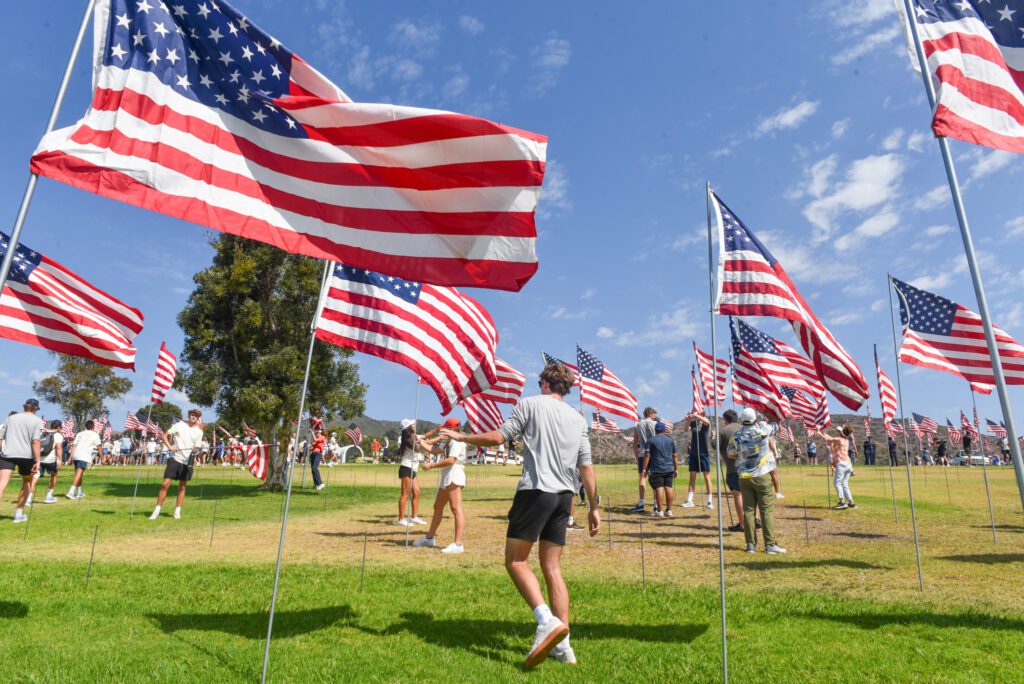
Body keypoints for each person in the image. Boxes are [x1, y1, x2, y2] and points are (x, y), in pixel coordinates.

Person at [439, 362, 599, 668]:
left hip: (535, 492)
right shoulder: (578, 419)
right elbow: (586, 467)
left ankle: (545, 621)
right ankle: (564, 646)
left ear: (545, 383)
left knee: (515, 561)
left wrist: (462, 438)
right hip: (564, 498)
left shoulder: (529, 404)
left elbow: (499, 438)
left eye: (539, 380)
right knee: (552, 567)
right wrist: (594, 506)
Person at [729, 408, 786, 555]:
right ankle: (769, 544)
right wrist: (766, 409)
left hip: (744, 477)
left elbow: (731, 454)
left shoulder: (736, 436)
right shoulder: (763, 430)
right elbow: (777, 424)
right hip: (762, 474)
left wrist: (744, 454)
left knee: (748, 511)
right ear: (755, 419)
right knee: (766, 510)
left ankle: (750, 545)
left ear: (742, 420)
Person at [413, 417, 469, 553]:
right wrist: (420, 441)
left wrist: (431, 465)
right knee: (438, 506)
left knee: (456, 508)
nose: (443, 431)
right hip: (447, 476)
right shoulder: (449, 441)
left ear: (453, 429)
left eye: (446, 428)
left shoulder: (457, 441)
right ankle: (429, 538)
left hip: (454, 474)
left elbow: (451, 460)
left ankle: (458, 544)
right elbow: (434, 450)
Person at [148, 409, 204, 520]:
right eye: (192, 415)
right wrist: (170, 447)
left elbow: (197, 448)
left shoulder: (199, 432)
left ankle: (177, 511)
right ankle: (156, 511)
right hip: (175, 459)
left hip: (187, 462)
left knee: (182, 487)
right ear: (188, 416)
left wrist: (195, 449)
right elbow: (164, 436)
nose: (193, 417)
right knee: (165, 484)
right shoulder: (180, 425)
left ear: (198, 419)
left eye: (196, 416)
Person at [0, 400, 44, 522]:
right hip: (26, 456)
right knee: (27, 482)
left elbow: (1, 437)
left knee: (2, 483)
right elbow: (35, 442)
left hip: (7, 454)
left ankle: (19, 513)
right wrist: (38, 461)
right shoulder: (37, 421)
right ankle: (18, 514)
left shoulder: (11, 418)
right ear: (35, 409)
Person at [717, 410, 747, 533]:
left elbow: (715, 445)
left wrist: (714, 436)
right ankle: (753, 519)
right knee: (748, 494)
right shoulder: (745, 428)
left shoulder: (724, 431)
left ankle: (742, 524)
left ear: (725, 420)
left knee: (737, 494)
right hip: (749, 467)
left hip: (733, 468)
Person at [642, 421, 678, 517]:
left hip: (656, 468)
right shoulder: (671, 440)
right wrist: (676, 469)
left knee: (659, 489)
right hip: (669, 468)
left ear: (655, 430)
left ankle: (660, 511)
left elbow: (647, 455)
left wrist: (644, 468)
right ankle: (669, 510)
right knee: (669, 488)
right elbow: (675, 455)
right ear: (664, 430)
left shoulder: (650, 441)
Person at [395, 419, 426, 527]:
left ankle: (414, 517)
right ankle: (401, 519)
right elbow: (418, 447)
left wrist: (436, 431)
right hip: (406, 467)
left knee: (417, 492)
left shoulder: (413, 437)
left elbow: (425, 437)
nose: (414, 425)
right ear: (408, 427)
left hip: (412, 469)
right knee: (405, 493)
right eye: (412, 424)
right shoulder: (406, 439)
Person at [681, 412, 712, 509]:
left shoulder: (705, 422)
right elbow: (686, 430)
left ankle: (710, 501)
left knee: (707, 477)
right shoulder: (694, 423)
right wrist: (689, 420)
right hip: (694, 454)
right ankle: (690, 500)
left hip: (703, 454)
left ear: (702, 413)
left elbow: (707, 422)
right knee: (692, 477)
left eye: (698, 412)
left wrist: (696, 416)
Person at [631, 407, 657, 512]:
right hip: (654, 454)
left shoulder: (637, 425)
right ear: (650, 413)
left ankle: (641, 502)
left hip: (642, 454)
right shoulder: (655, 424)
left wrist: (637, 457)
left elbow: (634, 444)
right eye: (655, 414)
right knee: (656, 480)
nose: (655, 416)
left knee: (642, 478)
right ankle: (656, 503)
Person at [67, 420, 101, 500]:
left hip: (76, 455)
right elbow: (99, 447)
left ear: (85, 426)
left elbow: (74, 445)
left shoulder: (79, 433)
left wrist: (70, 457)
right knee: (79, 473)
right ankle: (71, 492)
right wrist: (102, 457)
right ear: (93, 427)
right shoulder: (95, 435)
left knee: (79, 474)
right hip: (84, 456)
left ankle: (79, 492)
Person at [33, 420, 64, 505]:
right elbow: (58, 448)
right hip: (50, 460)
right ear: (58, 427)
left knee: (35, 477)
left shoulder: (43, 433)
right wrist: (60, 461)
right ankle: (49, 496)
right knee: (54, 476)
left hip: (39, 458)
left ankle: (28, 498)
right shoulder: (57, 435)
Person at [827, 429, 856, 510]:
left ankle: (842, 502)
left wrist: (819, 432)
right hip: (848, 464)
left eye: (839, 431)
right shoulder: (846, 441)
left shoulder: (839, 439)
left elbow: (828, 439)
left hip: (841, 463)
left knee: (837, 482)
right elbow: (831, 439)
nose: (837, 432)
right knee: (844, 483)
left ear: (841, 433)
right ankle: (851, 503)